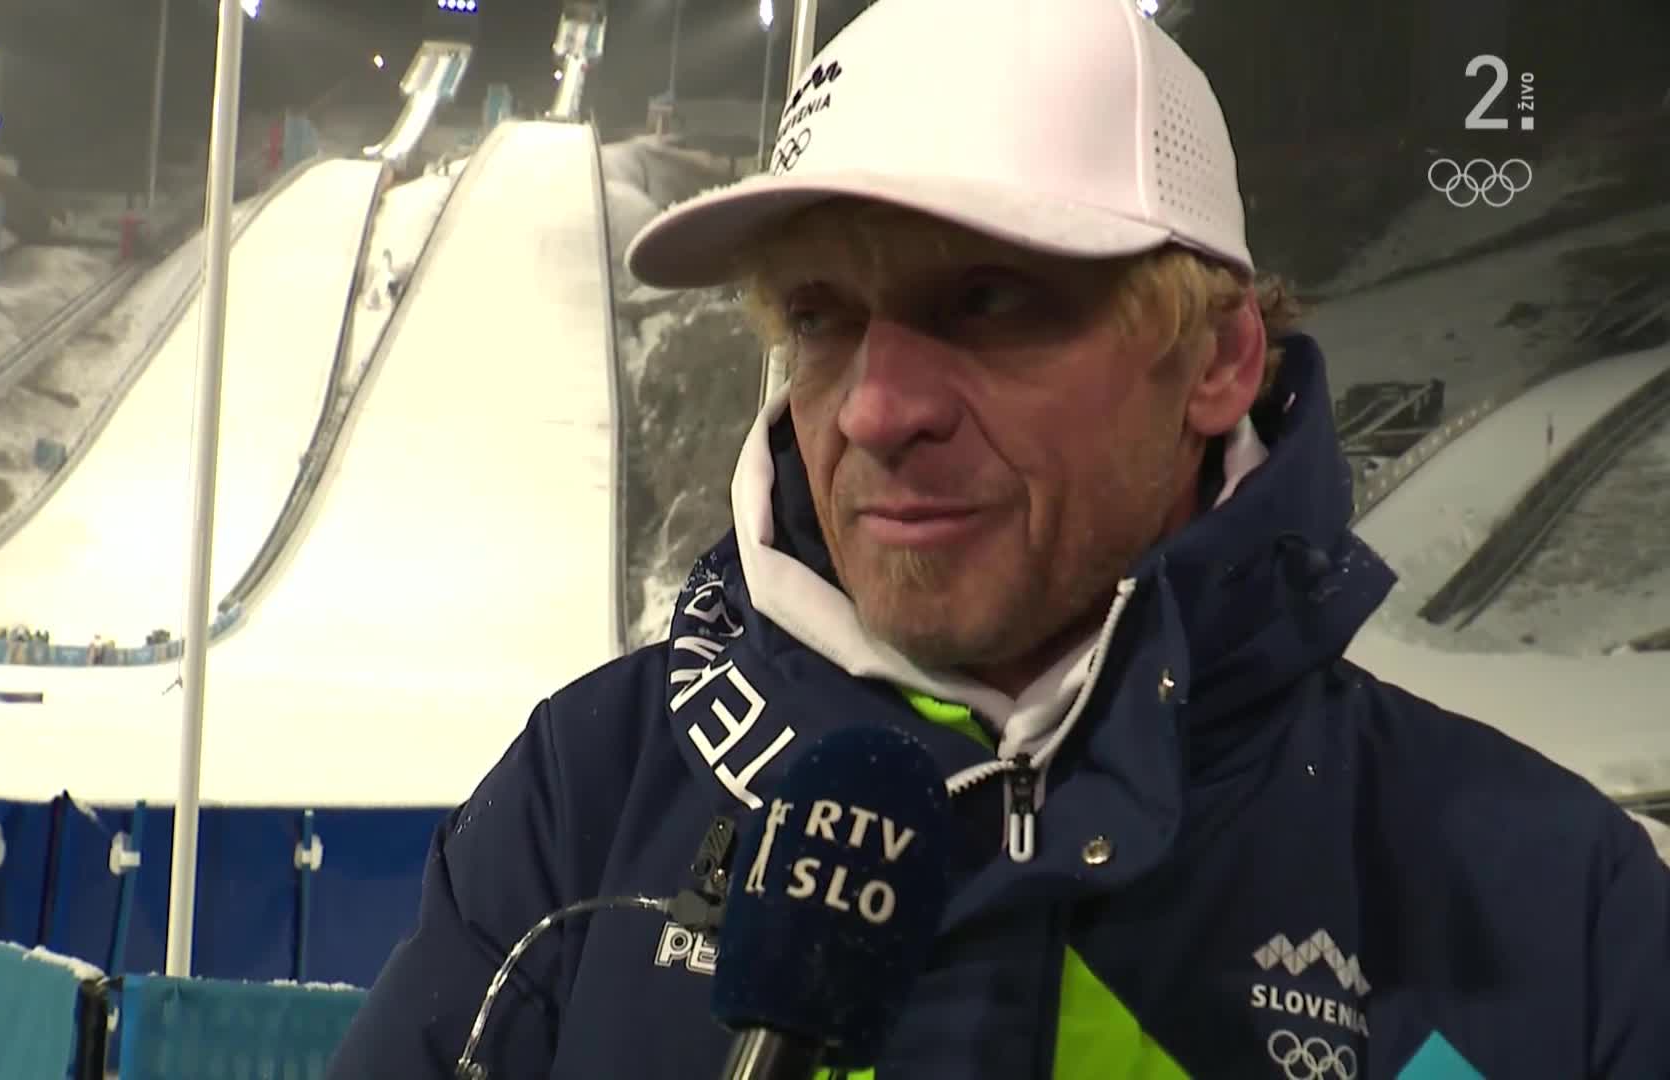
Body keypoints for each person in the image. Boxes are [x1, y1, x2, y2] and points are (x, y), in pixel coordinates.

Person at [329, 0, 1670, 1075]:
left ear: (1218, 359)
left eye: (988, 302)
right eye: (821, 317)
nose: (876, 409)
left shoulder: (1552, 905)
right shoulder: (587, 799)